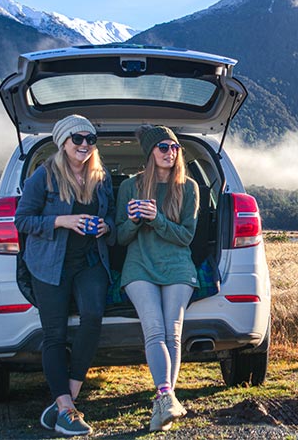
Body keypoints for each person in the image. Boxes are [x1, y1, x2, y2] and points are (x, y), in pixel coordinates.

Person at [14, 114, 115, 436]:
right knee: (54, 335)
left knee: (93, 317)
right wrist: (60, 222)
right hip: (48, 264)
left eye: (90, 139)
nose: (85, 145)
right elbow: (22, 220)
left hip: (89, 260)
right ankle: (67, 408)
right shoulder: (42, 177)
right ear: (63, 142)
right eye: (78, 139)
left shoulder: (101, 176)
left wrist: (106, 226)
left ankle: (65, 402)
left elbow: (111, 213)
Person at [116, 125, 199, 432]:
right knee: (154, 329)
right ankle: (167, 397)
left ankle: (163, 401)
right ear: (150, 152)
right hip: (139, 266)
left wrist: (157, 219)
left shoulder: (188, 187)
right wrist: (136, 220)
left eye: (174, 147)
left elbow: (187, 237)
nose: (170, 153)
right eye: (163, 147)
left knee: (172, 332)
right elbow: (119, 237)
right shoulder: (130, 186)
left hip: (177, 266)